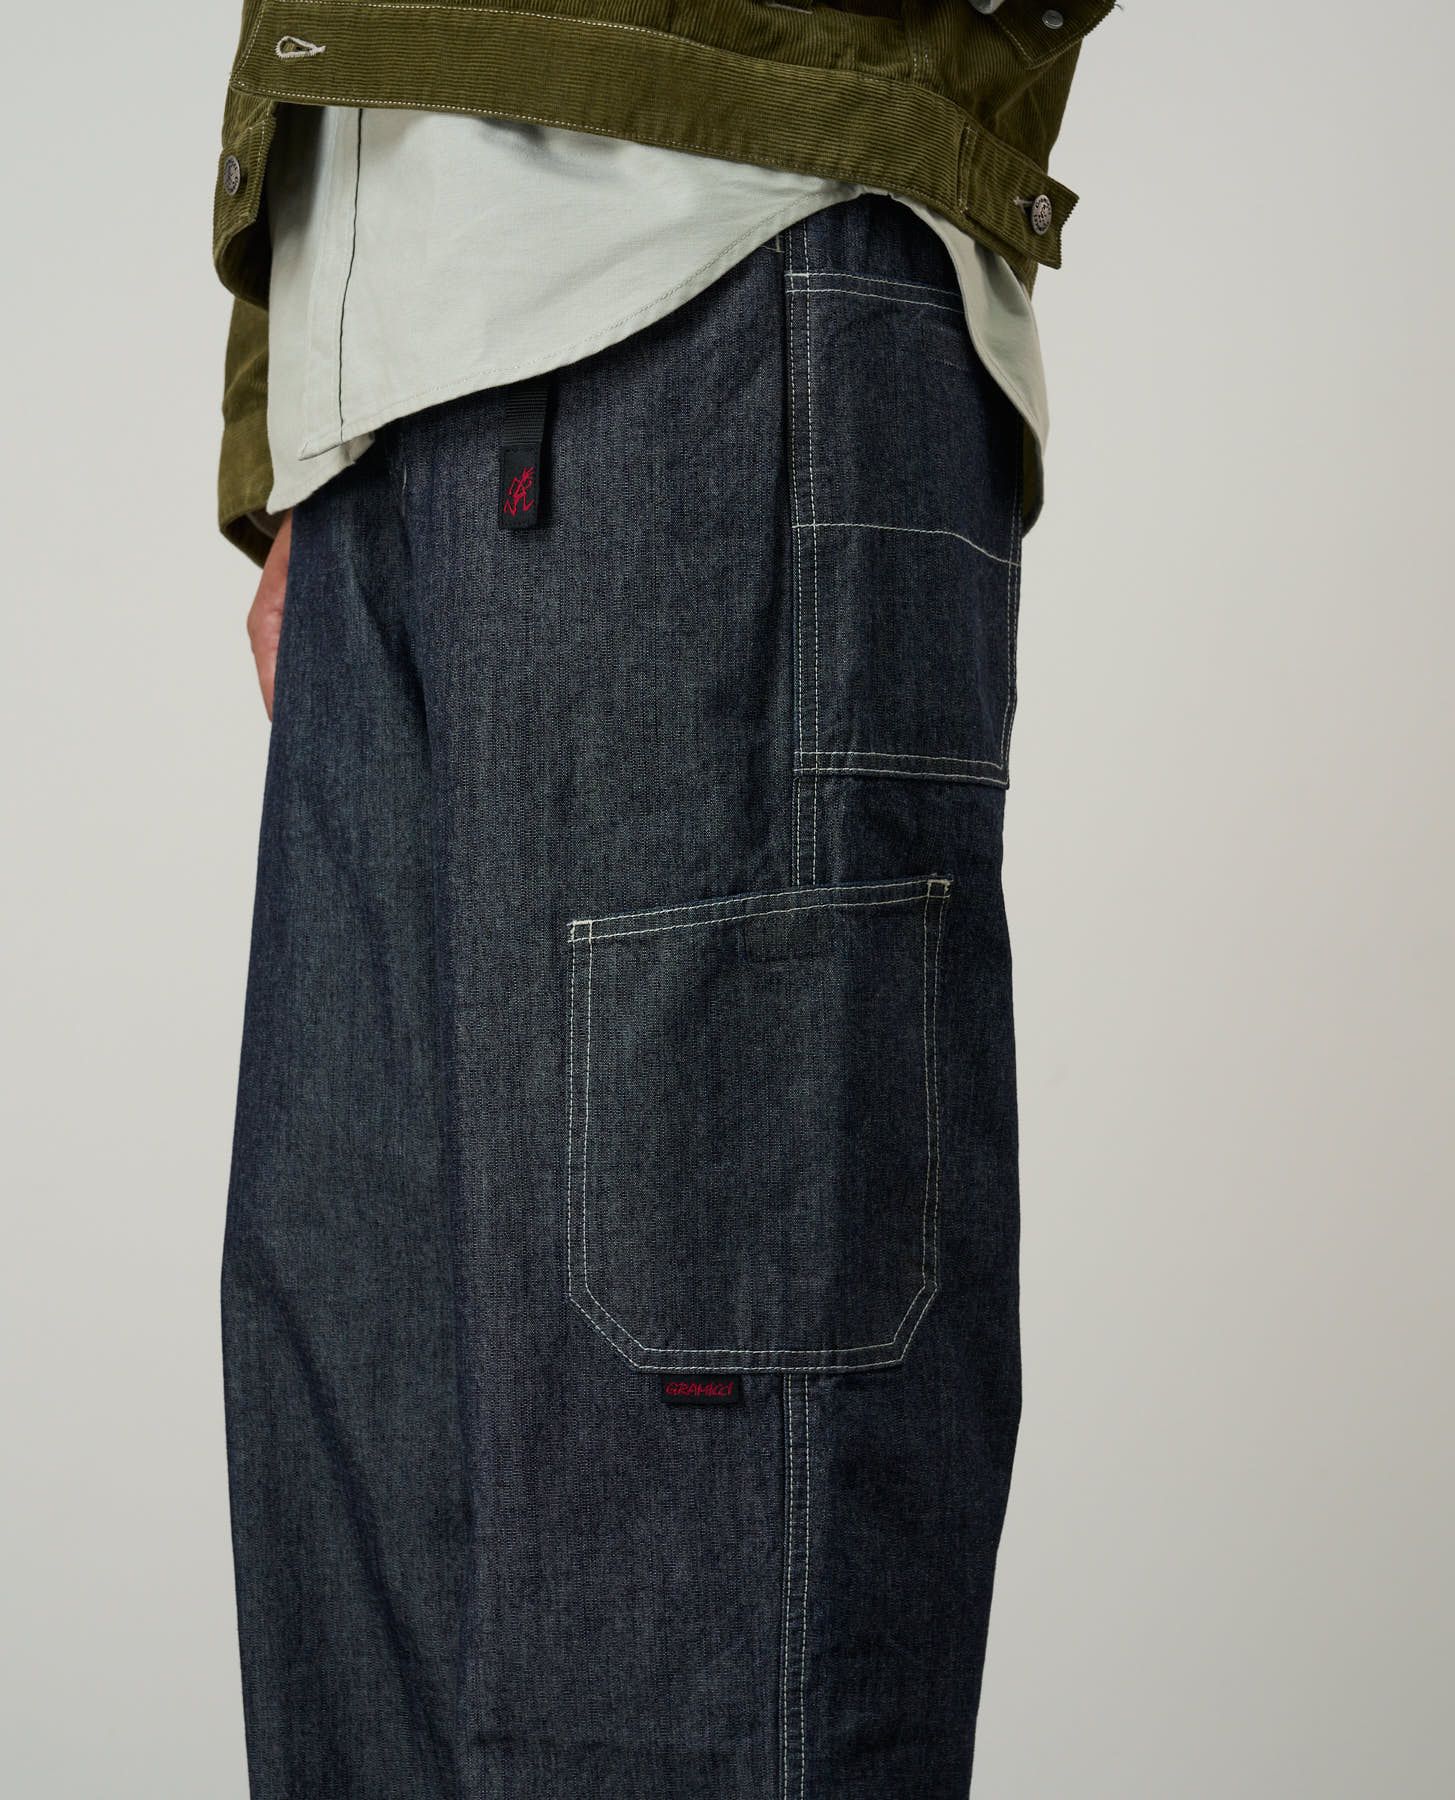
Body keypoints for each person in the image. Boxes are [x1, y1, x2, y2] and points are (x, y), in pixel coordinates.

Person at [212, 4, 1114, 1794]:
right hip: (376, 391)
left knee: (701, 1646)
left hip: (717, 267)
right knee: (358, 1612)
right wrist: (284, 420)